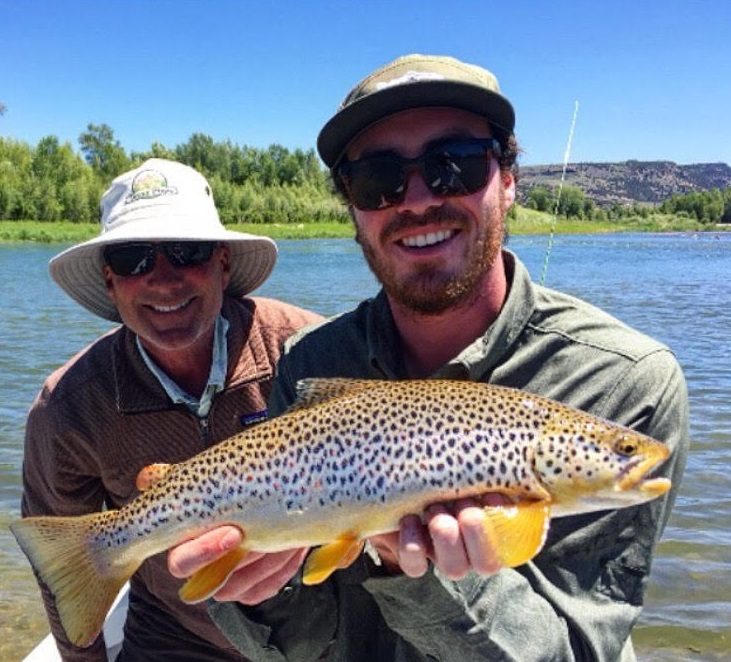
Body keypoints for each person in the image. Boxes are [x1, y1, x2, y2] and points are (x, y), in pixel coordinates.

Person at [168, 55, 689, 661]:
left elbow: (577, 651)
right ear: (353, 207)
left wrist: (445, 579)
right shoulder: (309, 362)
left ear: (510, 178)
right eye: (378, 178)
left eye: (454, 165)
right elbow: (303, 648)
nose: (416, 199)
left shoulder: (628, 382)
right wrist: (259, 590)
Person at [20, 158, 322, 661]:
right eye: (136, 257)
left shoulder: (305, 349)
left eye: (186, 251)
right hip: (176, 635)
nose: (164, 278)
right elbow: (65, 577)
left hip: (318, 624)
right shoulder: (68, 407)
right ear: (111, 280)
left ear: (223, 263)